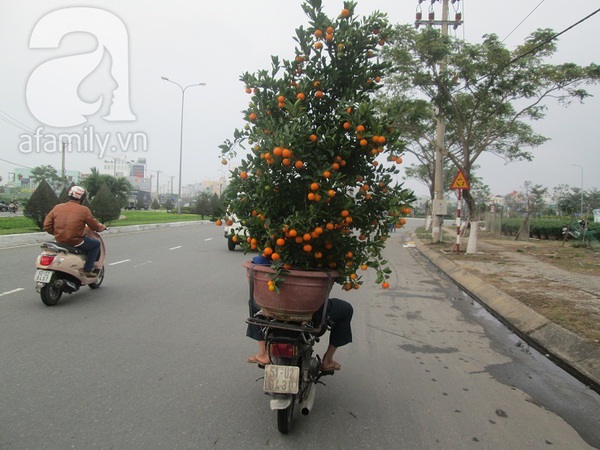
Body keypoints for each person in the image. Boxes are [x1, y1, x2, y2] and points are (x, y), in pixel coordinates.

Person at [246, 257, 353, 371]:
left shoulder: (274, 253)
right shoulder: (323, 256)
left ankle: (264, 353)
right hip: (312, 310)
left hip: (274, 308)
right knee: (346, 310)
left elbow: (258, 264)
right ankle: (328, 360)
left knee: (254, 303)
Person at [43, 186, 107, 277]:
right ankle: (88, 269)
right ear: (82, 198)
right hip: (76, 242)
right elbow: (95, 226)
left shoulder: (57, 207)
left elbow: (47, 226)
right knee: (96, 244)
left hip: (59, 240)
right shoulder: (84, 210)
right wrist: (102, 227)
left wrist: (57, 233)